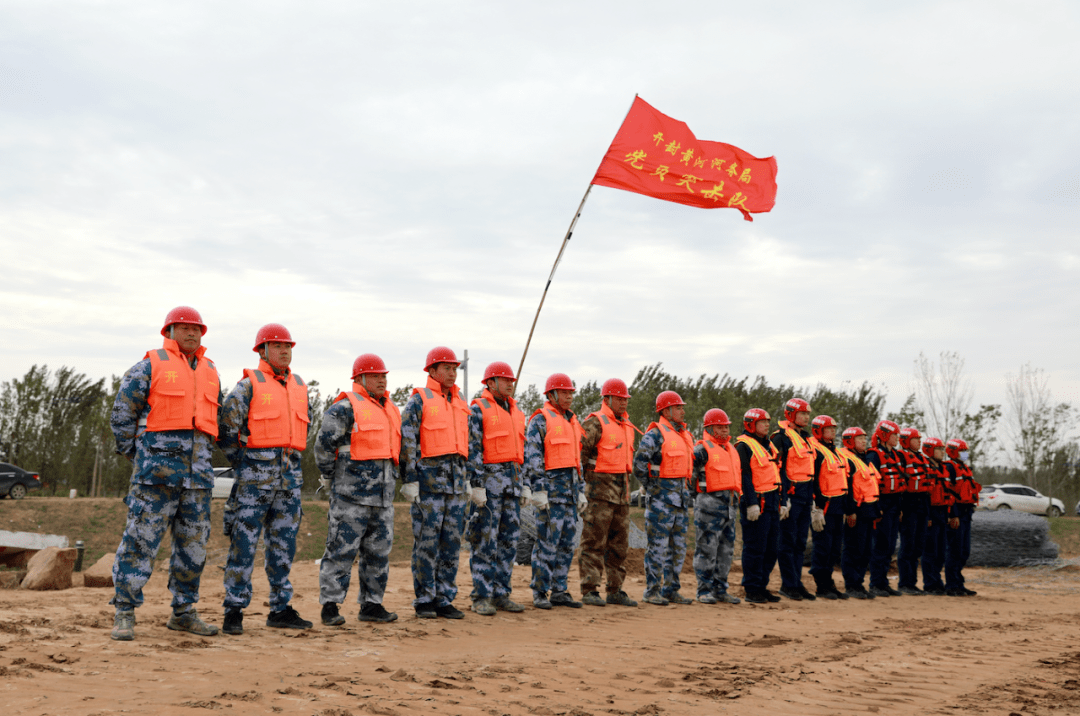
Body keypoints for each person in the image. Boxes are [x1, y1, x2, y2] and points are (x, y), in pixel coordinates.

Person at [109, 306, 223, 641]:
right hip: (154, 477)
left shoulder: (211, 370)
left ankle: (184, 613)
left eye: (197, 329)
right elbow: (122, 414)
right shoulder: (149, 366)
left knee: (194, 549)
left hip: (198, 479)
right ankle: (125, 612)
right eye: (184, 328)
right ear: (169, 331)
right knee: (139, 543)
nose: (192, 333)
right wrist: (140, 456)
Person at [218, 324, 313, 634]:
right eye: (277, 346)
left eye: (288, 346)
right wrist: (245, 464)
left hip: (289, 481)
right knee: (243, 545)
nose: (284, 351)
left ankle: (280, 608)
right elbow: (227, 430)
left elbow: (302, 431)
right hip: (254, 481)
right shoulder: (248, 385)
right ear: (262, 350)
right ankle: (234, 609)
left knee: (283, 546)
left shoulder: (299, 385)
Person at [315, 353, 401, 626]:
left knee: (378, 553)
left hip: (383, 497)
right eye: (376, 375)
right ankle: (330, 606)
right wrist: (329, 476)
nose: (381, 380)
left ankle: (372, 605)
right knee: (340, 550)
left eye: (384, 375)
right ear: (360, 378)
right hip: (350, 496)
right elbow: (323, 445)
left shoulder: (391, 409)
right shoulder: (344, 408)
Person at [400, 346, 471, 619]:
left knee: (451, 544)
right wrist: (410, 479)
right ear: (431, 370)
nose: (452, 372)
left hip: (455, 486)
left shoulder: (460, 401)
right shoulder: (419, 400)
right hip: (428, 485)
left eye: (455, 368)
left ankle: (444, 598)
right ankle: (425, 599)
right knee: (426, 543)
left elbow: (468, 442)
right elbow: (408, 440)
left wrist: (470, 480)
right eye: (446, 368)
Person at [465, 361, 528, 616]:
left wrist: (524, 486)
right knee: (484, 542)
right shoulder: (479, 409)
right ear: (490, 383)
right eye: (505, 380)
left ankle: (501, 594)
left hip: (511, 488)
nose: (510, 384)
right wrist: (477, 485)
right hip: (488, 490)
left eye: (512, 380)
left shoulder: (516, 412)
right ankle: (482, 596)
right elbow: (473, 449)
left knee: (508, 542)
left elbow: (521, 453)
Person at [526, 373, 586, 610]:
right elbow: (533, 457)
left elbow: (576, 460)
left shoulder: (572, 421)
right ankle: (540, 591)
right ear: (551, 395)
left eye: (571, 393)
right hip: (550, 496)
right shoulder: (540, 420)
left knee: (566, 544)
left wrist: (580, 489)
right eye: (564, 393)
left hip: (570, 495)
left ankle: (560, 590)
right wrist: (538, 489)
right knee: (547, 544)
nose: (569, 397)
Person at [577, 378, 639, 607]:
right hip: (599, 495)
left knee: (619, 545)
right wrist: (583, 487)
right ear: (607, 399)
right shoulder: (595, 423)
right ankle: (590, 589)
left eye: (626, 399)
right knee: (594, 542)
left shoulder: (627, 426)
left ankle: (615, 589)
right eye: (619, 399)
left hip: (622, 495)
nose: (624, 403)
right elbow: (580, 456)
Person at [633, 391, 695, 606]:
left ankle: (671, 589)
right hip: (661, 501)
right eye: (678, 407)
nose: (682, 411)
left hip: (681, 501)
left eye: (681, 407)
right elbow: (639, 464)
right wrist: (652, 488)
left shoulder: (685, 435)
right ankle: (652, 591)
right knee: (657, 548)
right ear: (666, 410)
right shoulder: (655, 434)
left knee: (678, 549)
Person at [691, 409, 742, 605]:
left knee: (726, 550)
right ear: (709, 428)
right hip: (708, 506)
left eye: (726, 426)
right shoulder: (701, 450)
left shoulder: (731, 450)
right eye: (720, 427)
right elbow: (690, 477)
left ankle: (720, 588)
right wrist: (697, 500)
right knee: (706, 548)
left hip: (730, 505)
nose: (724, 430)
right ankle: (703, 590)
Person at [735, 408, 784, 604]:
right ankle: (752, 588)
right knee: (755, 548)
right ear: (750, 424)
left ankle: (762, 586)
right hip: (757, 504)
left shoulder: (768, 446)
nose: (766, 425)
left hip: (772, 503)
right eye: (762, 422)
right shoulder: (743, 446)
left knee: (771, 549)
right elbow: (744, 477)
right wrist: (750, 503)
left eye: (767, 421)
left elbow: (777, 474)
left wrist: (784, 500)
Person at [771, 398, 816, 602]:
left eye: (808, 413)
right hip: (791, 497)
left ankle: (796, 582)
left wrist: (813, 499)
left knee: (799, 543)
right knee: (787, 542)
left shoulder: (806, 438)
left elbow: (810, 471)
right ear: (790, 414)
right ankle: (788, 585)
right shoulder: (781, 438)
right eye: (802, 413)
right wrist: (783, 498)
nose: (806, 417)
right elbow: (777, 469)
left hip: (806, 497)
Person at [807, 415, 850, 600]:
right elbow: (813, 479)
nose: (833, 431)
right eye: (828, 428)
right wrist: (816, 506)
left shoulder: (836, 451)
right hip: (823, 506)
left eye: (834, 428)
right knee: (822, 547)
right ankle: (821, 584)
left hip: (838, 507)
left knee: (834, 548)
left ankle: (829, 581)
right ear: (818, 430)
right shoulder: (815, 450)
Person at [837, 427, 881, 599]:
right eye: (860, 438)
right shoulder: (847, 459)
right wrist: (850, 511)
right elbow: (846, 486)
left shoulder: (864, 459)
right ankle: (851, 584)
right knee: (853, 548)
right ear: (850, 441)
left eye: (865, 438)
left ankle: (859, 583)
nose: (864, 441)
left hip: (869, 510)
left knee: (865, 550)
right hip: (856, 511)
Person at [866, 420, 906, 598]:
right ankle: (876, 583)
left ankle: (884, 582)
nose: (897, 438)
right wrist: (876, 507)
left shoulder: (897, 456)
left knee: (890, 546)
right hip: (882, 504)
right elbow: (870, 483)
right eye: (894, 435)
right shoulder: (873, 456)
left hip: (894, 505)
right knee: (880, 546)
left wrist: (900, 508)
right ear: (884, 435)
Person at [897, 427, 931, 595]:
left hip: (922, 504)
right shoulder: (901, 457)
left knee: (918, 546)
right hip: (908, 504)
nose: (919, 441)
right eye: (915, 438)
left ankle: (912, 582)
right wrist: (900, 508)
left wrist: (928, 513)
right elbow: (900, 484)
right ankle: (905, 583)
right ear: (905, 441)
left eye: (919, 438)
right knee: (908, 545)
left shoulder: (922, 458)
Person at [919, 437, 955, 595]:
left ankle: (937, 581)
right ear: (929, 450)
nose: (942, 451)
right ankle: (930, 583)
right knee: (930, 550)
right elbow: (925, 495)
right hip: (931, 512)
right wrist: (928, 516)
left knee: (940, 552)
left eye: (943, 448)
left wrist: (948, 514)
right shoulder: (925, 467)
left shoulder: (944, 469)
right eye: (939, 449)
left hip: (942, 513)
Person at [944, 438, 979, 596]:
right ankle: (952, 585)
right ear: (952, 452)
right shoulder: (950, 467)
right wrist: (953, 514)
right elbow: (949, 493)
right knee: (955, 550)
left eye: (966, 451)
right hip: (956, 514)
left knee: (964, 551)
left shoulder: (964, 468)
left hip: (966, 514)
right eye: (961, 451)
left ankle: (959, 582)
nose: (965, 454)